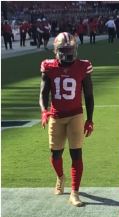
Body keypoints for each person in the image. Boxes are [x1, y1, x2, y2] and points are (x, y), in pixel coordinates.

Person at [39, 32, 94, 207]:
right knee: (55, 153)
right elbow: (43, 93)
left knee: (76, 153)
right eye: (65, 49)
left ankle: (74, 193)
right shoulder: (49, 66)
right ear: (57, 50)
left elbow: (89, 95)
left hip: (76, 114)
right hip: (56, 115)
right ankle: (60, 177)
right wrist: (43, 110)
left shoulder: (83, 66)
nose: (68, 52)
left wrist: (90, 119)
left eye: (70, 48)